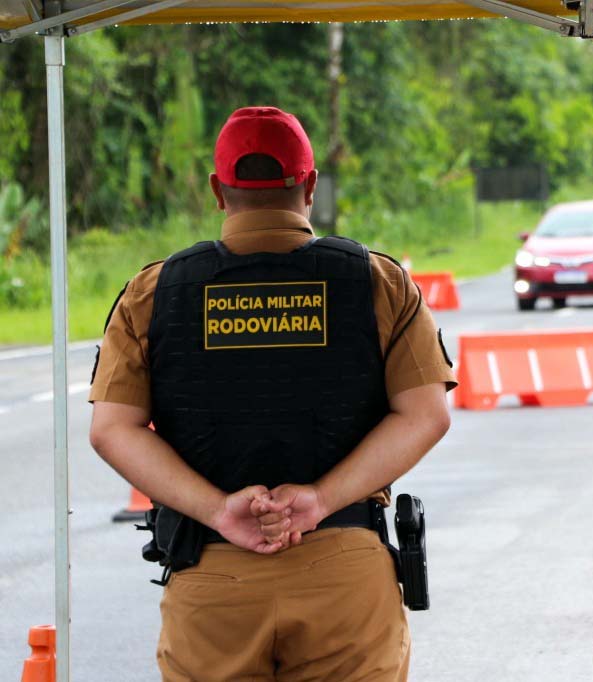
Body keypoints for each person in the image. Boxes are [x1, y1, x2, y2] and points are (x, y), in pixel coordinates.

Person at [89, 106, 455, 682]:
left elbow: (112, 428)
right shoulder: (379, 282)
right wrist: (320, 498)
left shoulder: (154, 293)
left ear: (217, 190)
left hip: (211, 575)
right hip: (346, 575)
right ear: (309, 186)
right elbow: (426, 415)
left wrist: (218, 511)